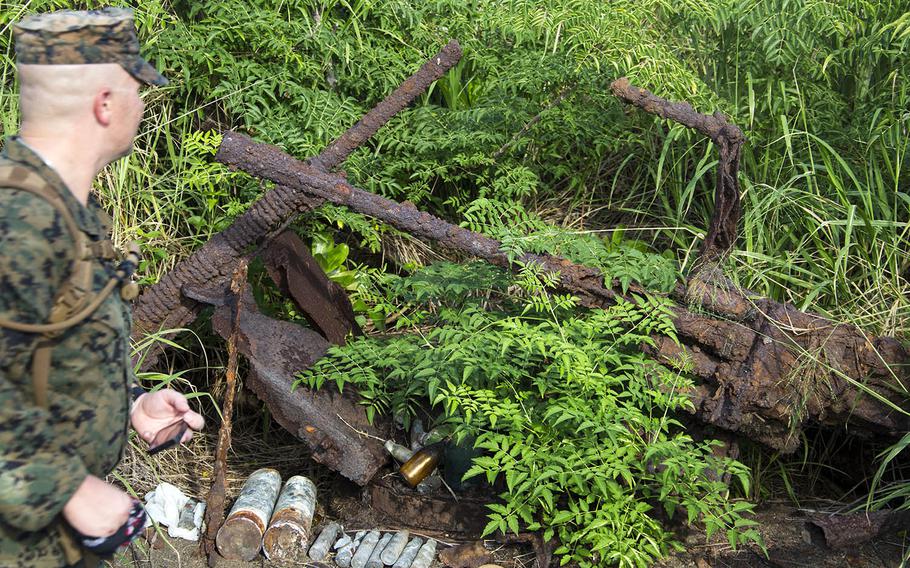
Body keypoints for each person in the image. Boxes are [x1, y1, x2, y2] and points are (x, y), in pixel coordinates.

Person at [0, 8, 204, 566]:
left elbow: (32, 356)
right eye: (138, 89)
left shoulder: (66, 210)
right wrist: (72, 488)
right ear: (106, 103)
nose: (143, 104)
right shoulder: (18, 218)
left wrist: (130, 405)